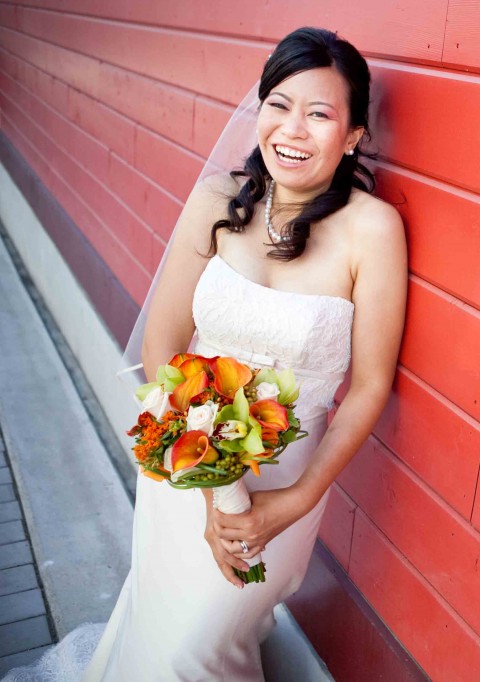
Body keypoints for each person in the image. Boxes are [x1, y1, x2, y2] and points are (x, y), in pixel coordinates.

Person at [2, 27, 407, 681]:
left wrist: (295, 501)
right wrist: (218, 480)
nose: (292, 129)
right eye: (279, 104)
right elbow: (162, 344)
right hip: (188, 463)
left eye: (320, 113)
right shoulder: (218, 198)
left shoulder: (372, 230)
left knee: (204, 647)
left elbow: (368, 386)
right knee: (166, 638)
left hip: (284, 483)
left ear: (354, 134)